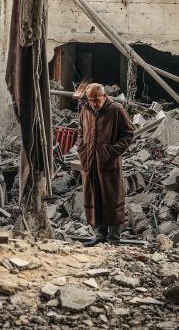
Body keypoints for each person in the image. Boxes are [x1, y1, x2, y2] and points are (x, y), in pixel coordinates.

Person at [76, 83, 134, 246]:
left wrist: (112, 151)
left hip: (109, 164)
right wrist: (82, 148)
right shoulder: (86, 110)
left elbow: (128, 133)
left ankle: (114, 238)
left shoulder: (116, 110)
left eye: (96, 100)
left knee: (111, 197)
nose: (93, 103)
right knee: (96, 197)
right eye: (90, 100)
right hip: (90, 161)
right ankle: (100, 236)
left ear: (105, 96)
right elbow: (80, 130)